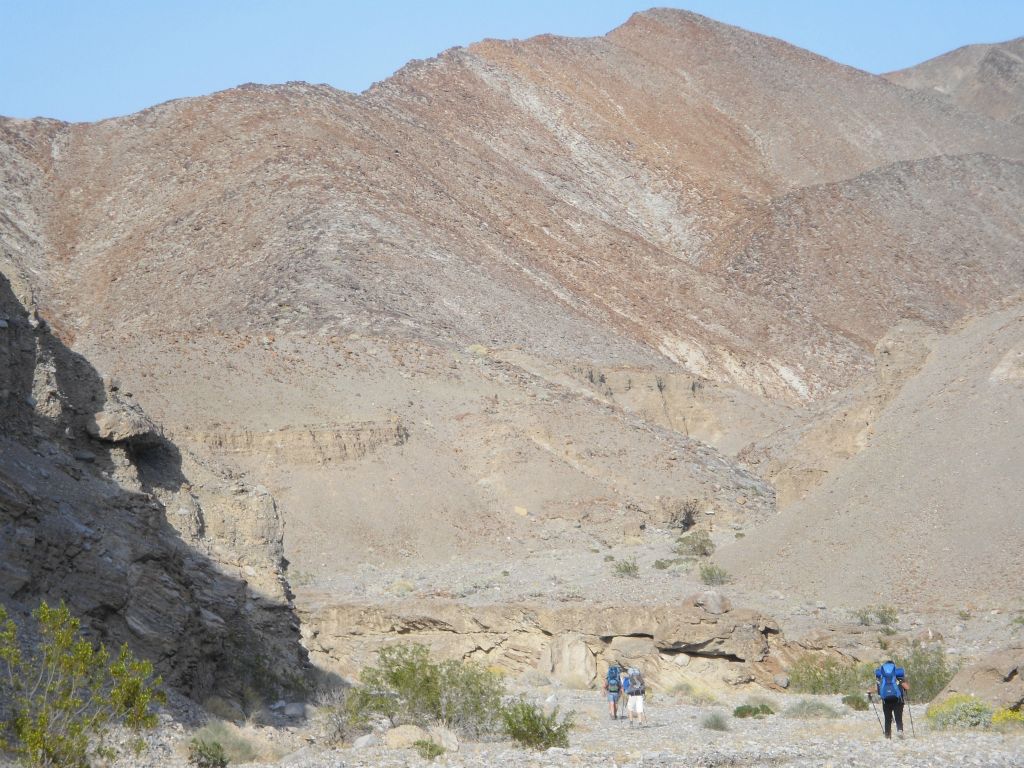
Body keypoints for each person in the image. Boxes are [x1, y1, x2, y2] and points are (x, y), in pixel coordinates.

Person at [870, 659, 908, 738]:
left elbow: (876, 688)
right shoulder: (897, 675)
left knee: (887, 718)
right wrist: (902, 683)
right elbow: (907, 687)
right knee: (898, 716)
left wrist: (869, 692)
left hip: (886, 701)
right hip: (898, 700)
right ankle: (900, 730)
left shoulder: (882, 676)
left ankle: (887, 735)